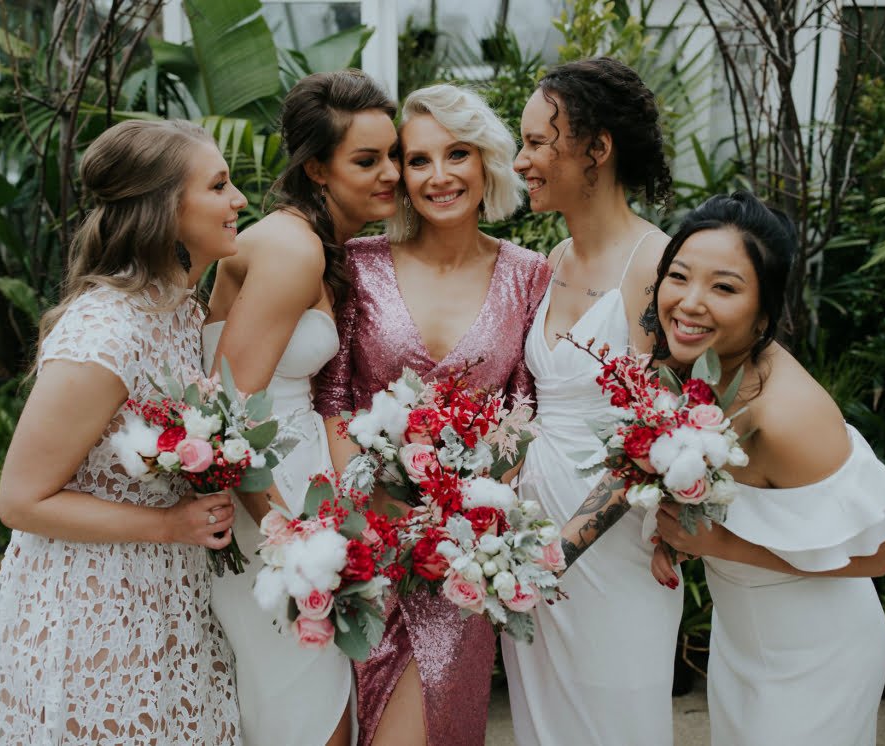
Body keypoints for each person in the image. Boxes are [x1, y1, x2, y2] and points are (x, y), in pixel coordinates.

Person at [0, 120, 246, 745]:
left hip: (169, 593)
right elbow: (19, 501)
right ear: (166, 210)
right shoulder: (105, 334)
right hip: (92, 609)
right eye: (219, 186)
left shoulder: (182, 309)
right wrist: (169, 524)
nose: (239, 200)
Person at [314, 83, 550, 746]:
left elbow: (524, 414)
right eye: (418, 160)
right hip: (361, 545)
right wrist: (377, 511)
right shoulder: (357, 266)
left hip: (459, 557)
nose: (439, 176)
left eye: (457, 154)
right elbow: (332, 399)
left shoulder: (528, 275)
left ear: (486, 161)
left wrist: (459, 522)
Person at [649, 191, 885, 745]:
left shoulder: (787, 415)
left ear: (765, 312)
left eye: (724, 287)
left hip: (817, 652)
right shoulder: (697, 367)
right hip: (744, 636)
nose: (690, 302)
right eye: (679, 276)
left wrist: (716, 543)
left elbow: (879, 555)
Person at [203, 69, 399, 746]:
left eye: (393, 154)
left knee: (311, 705)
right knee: (307, 715)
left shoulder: (313, 243)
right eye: (367, 160)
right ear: (317, 167)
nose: (391, 173)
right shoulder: (292, 249)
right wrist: (287, 540)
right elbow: (224, 419)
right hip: (268, 503)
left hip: (296, 491)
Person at [501, 57, 682, 746]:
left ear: (597, 149)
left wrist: (557, 553)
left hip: (610, 550)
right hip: (530, 534)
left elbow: (659, 436)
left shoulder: (656, 267)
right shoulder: (552, 263)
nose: (521, 161)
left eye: (536, 143)